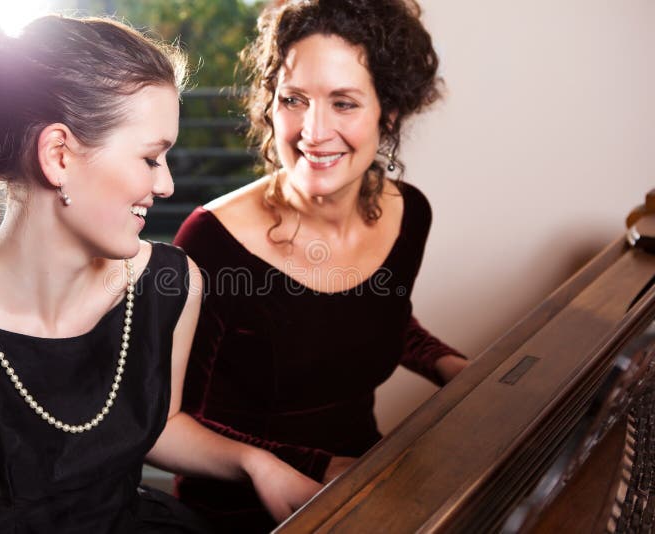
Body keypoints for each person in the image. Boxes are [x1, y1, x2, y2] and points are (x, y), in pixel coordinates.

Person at [0, 15, 321, 533]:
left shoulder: (172, 283)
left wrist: (256, 463)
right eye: (150, 157)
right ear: (58, 156)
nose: (165, 184)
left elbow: (156, 424)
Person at [172, 0, 469, 531]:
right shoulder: (211, 242)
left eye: (344, 103)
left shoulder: (410, 215)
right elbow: (169, 422)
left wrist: (450, 366)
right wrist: (313, 468)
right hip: (237, 511)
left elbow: (368, 319)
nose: (313, 130)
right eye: (294, 99)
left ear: (390, 110)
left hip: (363, 483)